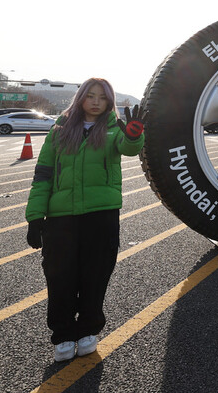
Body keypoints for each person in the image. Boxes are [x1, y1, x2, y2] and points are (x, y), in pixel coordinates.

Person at [24, 78, 145, 363]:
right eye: (90, 96)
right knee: (59, 276)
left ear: (109, 102)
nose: (95, 102)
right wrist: (34, 218)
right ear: (80, 98)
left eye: (101, 98)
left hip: (101, 215)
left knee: (95, 275)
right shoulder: (59, 132)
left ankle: (89, 329)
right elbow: (42, 175)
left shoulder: (115, 130)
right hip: (61, 217)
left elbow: (129, 148)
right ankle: (63, 333)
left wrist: (134, 134)